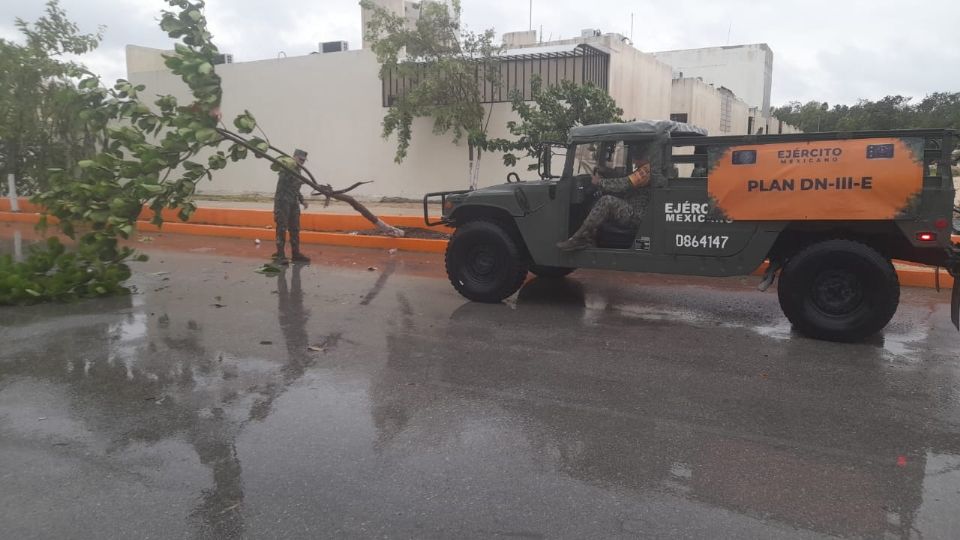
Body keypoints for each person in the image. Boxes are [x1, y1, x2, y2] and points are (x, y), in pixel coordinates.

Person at [556, 149, 652, 252]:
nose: (633, 162)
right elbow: (626, 178)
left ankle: (578, 238)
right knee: (604, 199)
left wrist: (599, 182)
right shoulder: (644, 169)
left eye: (635, 158)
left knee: (606, 201)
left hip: (637, 215)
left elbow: (624, 184)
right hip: (635, 210)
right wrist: (607, 171)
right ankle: (590, 237)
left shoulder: (646, 170)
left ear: (641, 157)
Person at [273, 149, 311, 264]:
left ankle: (296, 254)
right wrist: (295, 177)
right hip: (283, 202)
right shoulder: (286, 167)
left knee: (295, 229)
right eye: (300, 159)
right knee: (282, 228)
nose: (302, 162)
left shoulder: (298, 170)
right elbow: (284, 183)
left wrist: (302, 201)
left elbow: (295, 189)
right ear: (294, 157)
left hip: (293, 203)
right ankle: (280, 255)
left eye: (304, 160)